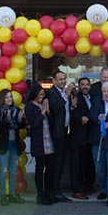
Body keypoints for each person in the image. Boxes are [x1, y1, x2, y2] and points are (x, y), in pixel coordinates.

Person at [0, 89, 26, 205]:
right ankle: (2, 195)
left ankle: (12, 194)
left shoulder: (16, 110)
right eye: (6, 97)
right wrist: (6, 119)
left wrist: (20, 119)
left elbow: (21, 126)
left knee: (13, 170)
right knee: (3, 170)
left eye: (10, 97)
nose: (9, 99)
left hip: (14, 144)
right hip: (3, 144)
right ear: (2, 99)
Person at [46, 70, 75, 202]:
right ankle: (54, 191)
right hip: (56, 133)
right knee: (56, 163)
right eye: (60, 79)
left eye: (64, 79)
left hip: (66, 131)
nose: (63, 81)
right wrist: (66, 96)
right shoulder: (52, 93)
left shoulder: (65, 93)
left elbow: (67, 111)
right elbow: (55, 109)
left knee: (62, 162)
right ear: (54, 81)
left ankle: (57, 189)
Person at [26, 83, 54, 205]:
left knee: (50, 168)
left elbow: (51, 122)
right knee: (39, 168)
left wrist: (47, 111)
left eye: (43, 94)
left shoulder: (44, 105)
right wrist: (42, 112)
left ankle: (48, 193)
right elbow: (33, 124)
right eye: (40, 94)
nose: (42, 97)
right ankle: (40, 194)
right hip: (39, 142)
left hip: (49, 140)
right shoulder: (29, 107)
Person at [70, 77, 96, 199]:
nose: (85, 86)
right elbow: (71, 114)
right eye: (82, 84)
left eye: (87, 84)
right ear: (79, 86)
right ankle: (77, 189)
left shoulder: (91, 98)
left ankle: (87, 186)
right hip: (78, 137)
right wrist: (80, 118)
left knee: (87, 163)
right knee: (77, 164)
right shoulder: (76, 98)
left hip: (89, 137)